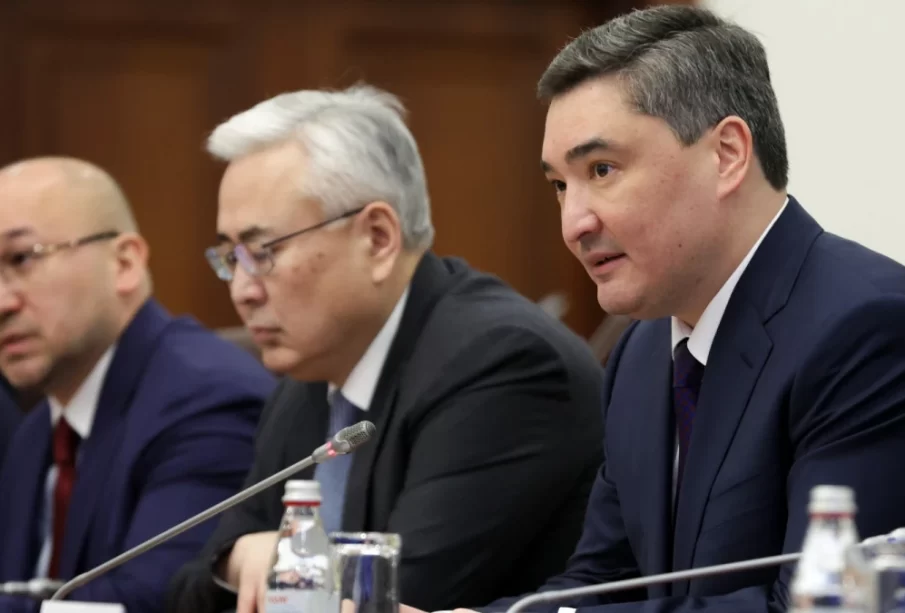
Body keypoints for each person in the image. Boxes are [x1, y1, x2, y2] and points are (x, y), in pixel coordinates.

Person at [406, 5, 905, 613]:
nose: (573, 224)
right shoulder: (641, 352)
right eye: (560, 185)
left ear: (727, 154)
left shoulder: (866, 329)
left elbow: (819, 606)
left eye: (602, 170)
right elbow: (605, 580)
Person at [165, 84, 605, 613]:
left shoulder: (504, 364)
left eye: (262, 252)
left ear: (377, 238)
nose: (242, 290)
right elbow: (189, 588)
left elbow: (393, 597)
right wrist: (238, 559)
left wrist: (276, 566)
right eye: (230, 258)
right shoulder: (309, 382)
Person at [0, 157, 276, 613]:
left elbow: (150, 603)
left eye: (22, 258)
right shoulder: (37, 433)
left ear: (124, 263)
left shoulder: (208, 403)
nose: (3, 302)